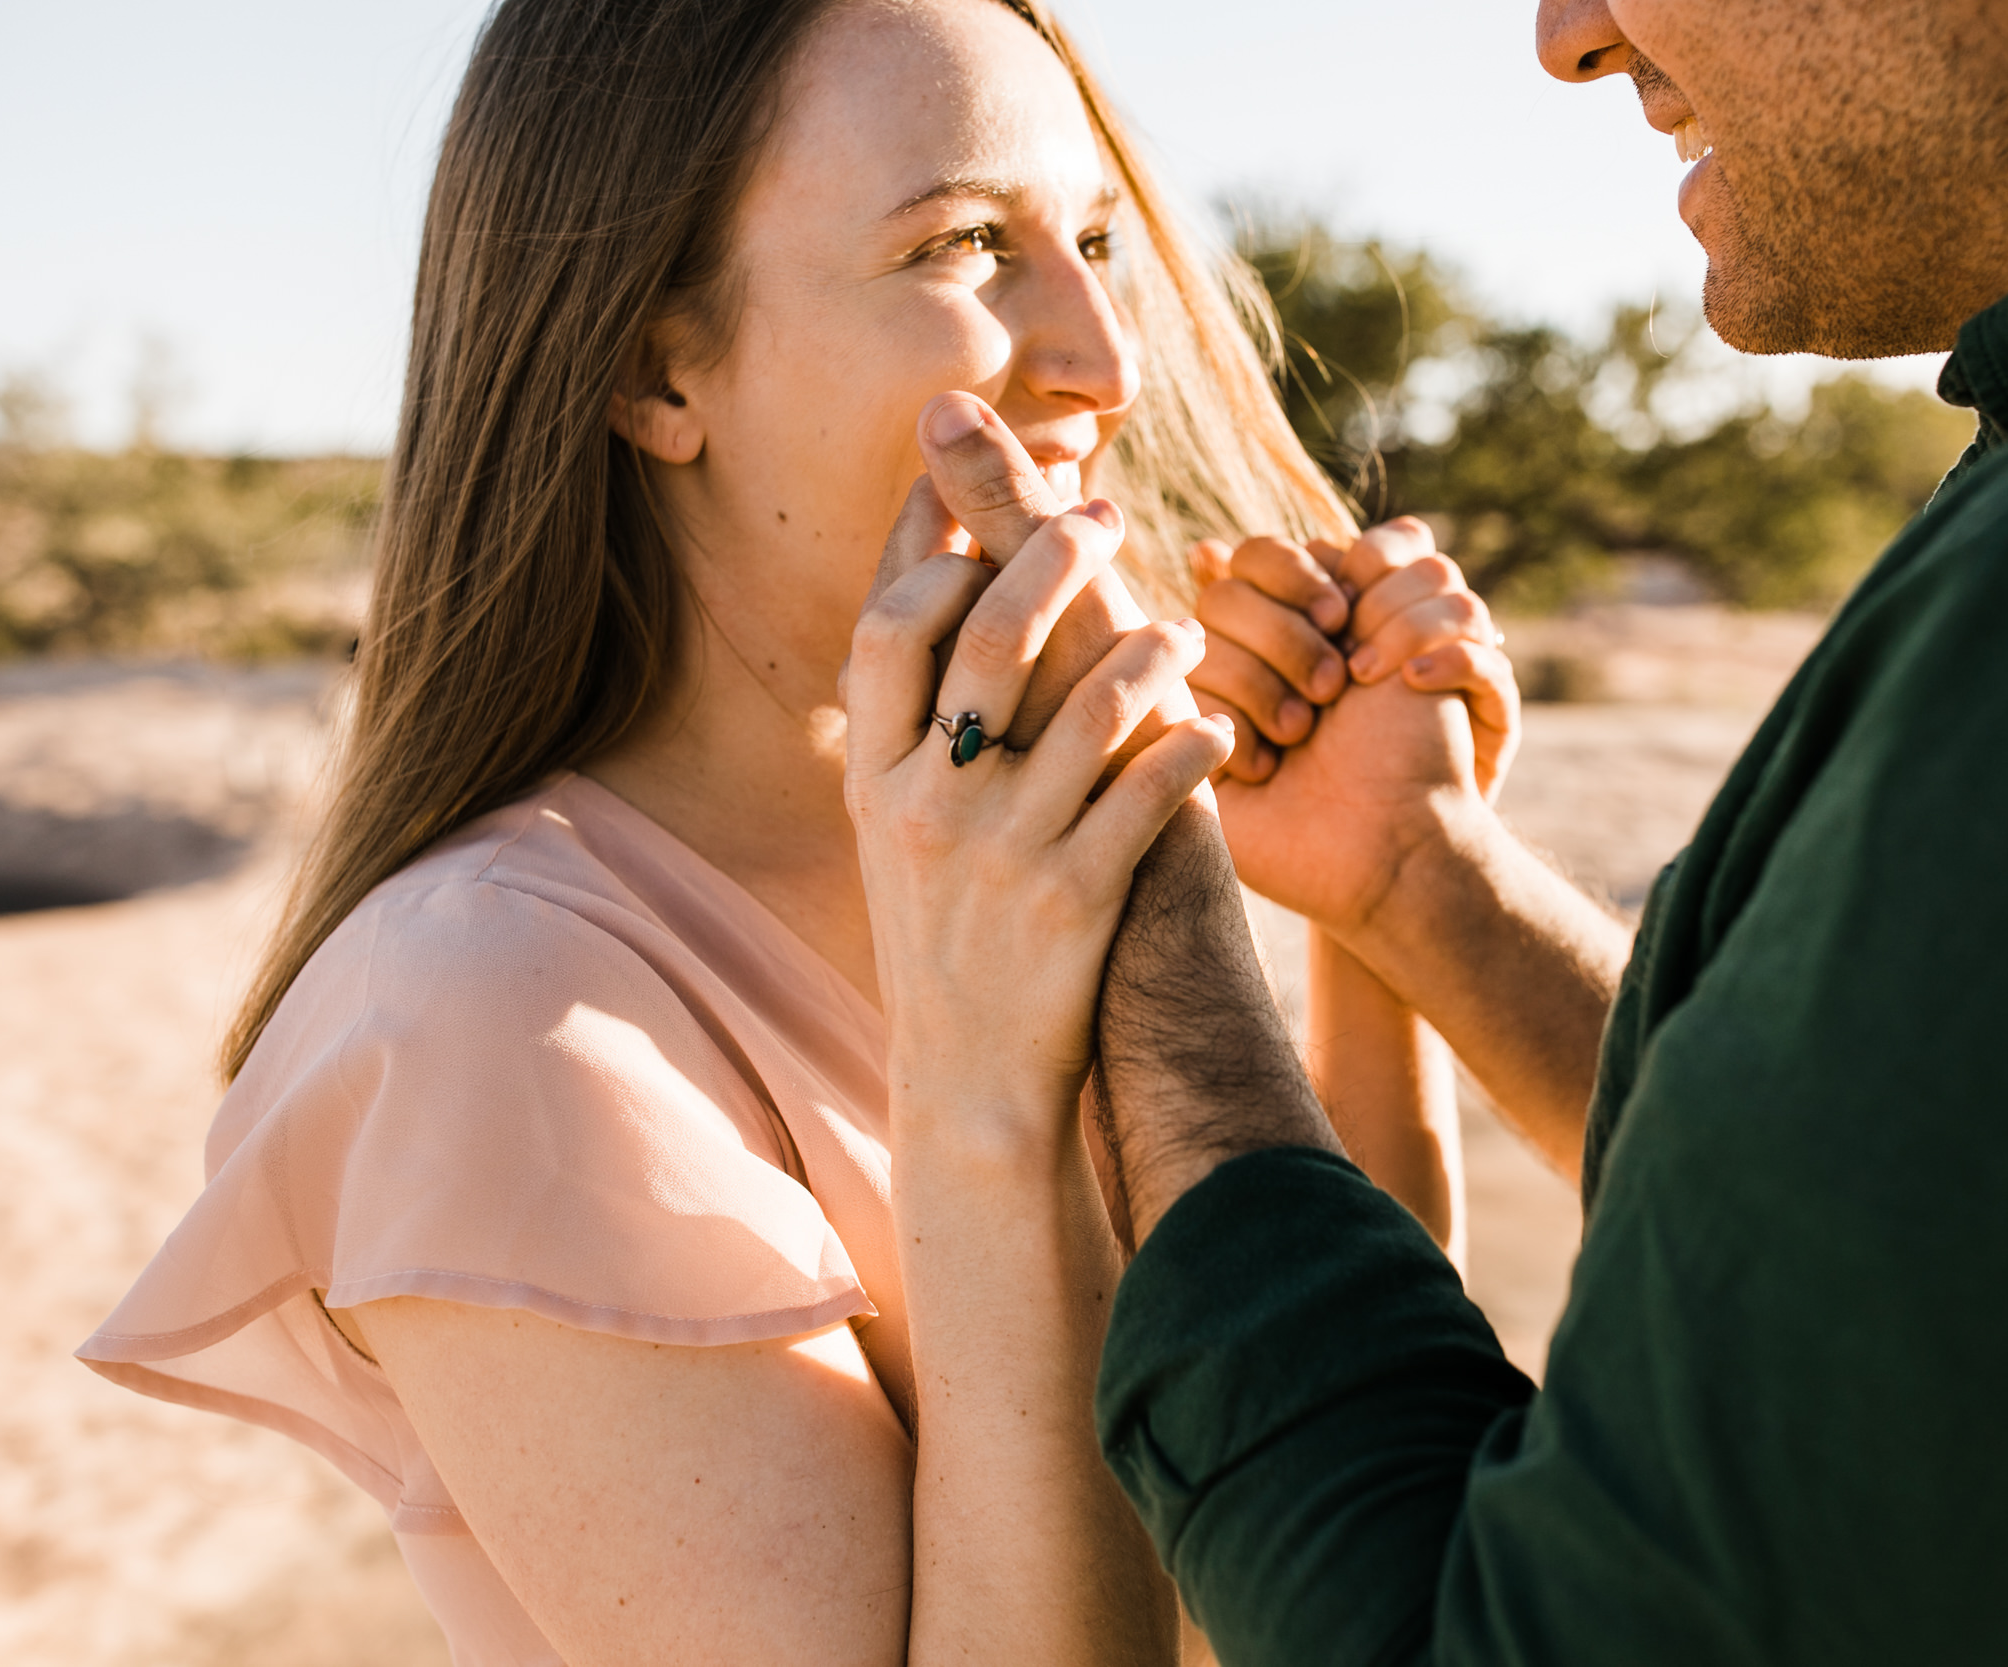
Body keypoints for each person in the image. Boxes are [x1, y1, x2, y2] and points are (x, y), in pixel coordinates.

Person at [848, 0, 2008, 1662]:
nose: (1568, 37)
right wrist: (1425, 884)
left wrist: (1142, 874)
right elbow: (1933, 1276)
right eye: (964, 245)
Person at [74, 1, 1516, 1661]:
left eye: (1099, 238)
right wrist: (984, 1103)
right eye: (964, 243)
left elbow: (1349, 1484)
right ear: (650, 366)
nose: (1106, 363)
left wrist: (1372, 912)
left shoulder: (1007, 831)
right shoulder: (495, 1011)